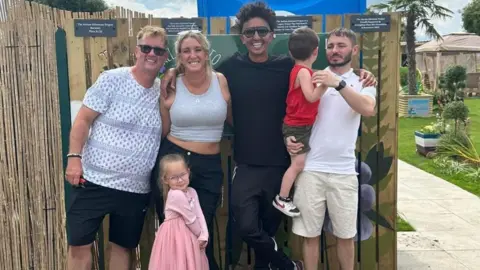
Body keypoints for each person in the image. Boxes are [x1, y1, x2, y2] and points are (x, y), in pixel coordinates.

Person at [161, 2, 376, 269]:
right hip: (246, 164)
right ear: (242, 38)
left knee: (270, 228)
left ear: (272, 35)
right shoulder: (229, 68)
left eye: (262, 31)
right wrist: (172, 71)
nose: (256, 38)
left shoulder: (289, 67)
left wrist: (363, 75)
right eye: (249, 33)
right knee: (246, 224)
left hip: (280, 164)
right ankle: (286, 265)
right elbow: (197, 71)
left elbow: (330, 72)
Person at [64, 25, 168, 270]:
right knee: (79, 245)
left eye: (158, 50)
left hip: (135, 187)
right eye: (146, 48)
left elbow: (163, 133)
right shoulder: (113, 79)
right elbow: (83, 119)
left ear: (165, 56)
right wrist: (74, 158)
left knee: (123, 247)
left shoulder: (161, 91)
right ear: (136, 51)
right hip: (93, 180)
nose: (151, 54)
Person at [287, 27, 377, 270]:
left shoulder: (363, 81)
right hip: (311, 169)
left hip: (344, 172)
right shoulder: (311, 77)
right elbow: (292, 111)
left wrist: (339, 83)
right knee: (310, 235)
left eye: (341, 45)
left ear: (354, 50)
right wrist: (290, 138)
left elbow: (368, 109)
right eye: (330, 46)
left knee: (346, 236)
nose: (335, 50)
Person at [150, 29, 231, 270]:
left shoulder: (221, 81)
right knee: (175, 234)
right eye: (186, 51)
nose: (192, 55)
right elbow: (163, 128)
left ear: (206, 54)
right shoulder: (171, 83)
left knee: (202, 230)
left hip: (209, 165)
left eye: (197, 49)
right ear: (179, 56)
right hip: (174, 160)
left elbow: (234, 118)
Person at [273, 27, 328, 218]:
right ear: (316, 52)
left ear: (290, 52)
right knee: (297, 165)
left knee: (299, 164)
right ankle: (282, 198)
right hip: (297, 126)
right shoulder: (303, 72)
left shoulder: (300, 70)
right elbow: (311, 97)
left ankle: (285, 196)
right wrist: (325, 85)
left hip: (299, 124)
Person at [148, 154, 209, 270]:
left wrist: (205, 235)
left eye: (182, 175)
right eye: (174, 177)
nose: (180, 180)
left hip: (190, 237)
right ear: (165, 180)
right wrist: (200, 234)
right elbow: (190, 219)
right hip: (176, 239)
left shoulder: (192, 192)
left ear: (188, 171)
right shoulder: (176, 195)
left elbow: (199, 214)